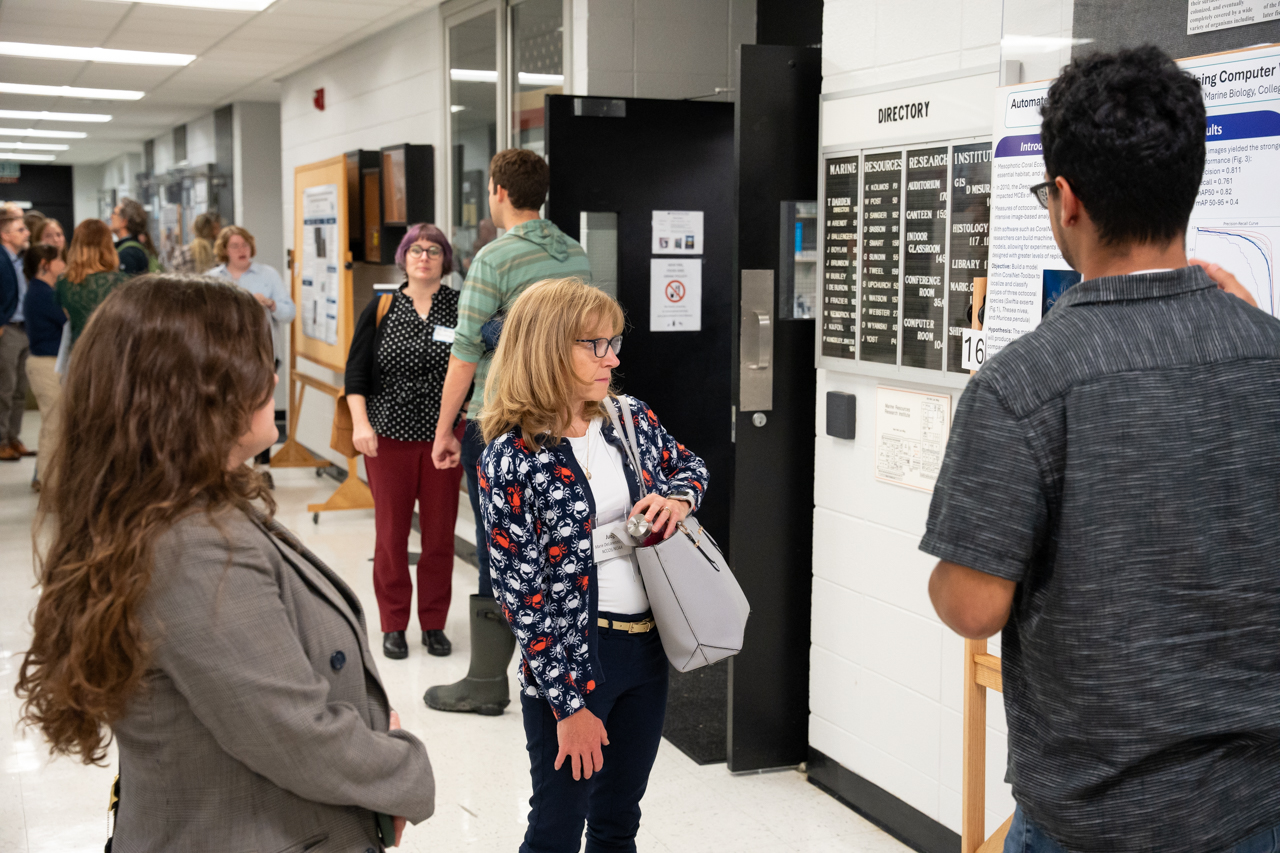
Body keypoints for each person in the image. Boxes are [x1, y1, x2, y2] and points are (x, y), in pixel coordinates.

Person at [922, 46, 1280, 853]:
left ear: (1068, 200)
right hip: (1257, 804)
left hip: (1094, 819)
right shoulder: (1267, 349)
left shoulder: (1025, 382)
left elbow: (973, 605)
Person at [16, 274, 435, 850]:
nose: (274, 378)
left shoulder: (187, 508)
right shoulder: (192, 546)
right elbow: (293, 736)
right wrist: (402, 771)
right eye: (257, 363)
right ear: (197, 391)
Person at [478, 277, 706, 852]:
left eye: (614, 342)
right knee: (556, 828)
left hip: (644, 650)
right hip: (573, 660)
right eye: (595, 345)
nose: (614, 357)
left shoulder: (629, 422)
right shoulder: (511, 458)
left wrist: (676, 499)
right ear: (548, 347)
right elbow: (520, 597)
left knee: (617, 822)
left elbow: (691, 466)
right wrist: (569, 704)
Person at [425, 148, 593, 715]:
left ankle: (486, 683)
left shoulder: (493, 260)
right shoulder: (577, 257)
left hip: (499, 420)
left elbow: (465, 354)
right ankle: (557, 674)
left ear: (498, 190)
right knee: (557, 544)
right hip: (564, 418)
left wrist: (444, 428)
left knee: (503, 545)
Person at [344, 224, 464, 661]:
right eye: (416, 249)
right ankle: (393, 623)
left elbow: (475, 369)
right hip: (387, 437)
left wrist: (458, 421)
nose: (424, 256)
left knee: (438, 536)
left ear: (444, 260)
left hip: (443, 439)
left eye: (433, 250)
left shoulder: (461, 307)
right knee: (390, 536)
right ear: (403, 257)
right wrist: (361, 424)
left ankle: (433, 623)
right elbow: (355, 372)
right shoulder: (382, 308)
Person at [21, 244, 66, 491]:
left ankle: (45, 478)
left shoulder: (43, 290)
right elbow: (65, 317)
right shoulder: (42, 294)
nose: (64, 266)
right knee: (54, 424)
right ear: (44, 265)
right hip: (45, 366)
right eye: (59, 260)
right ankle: (50, 484)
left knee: (54, 422)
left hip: (48, 364)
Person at [55, 219, 129, 345]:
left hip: (78, 354)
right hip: (111, 354)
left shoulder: (63, 282)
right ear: (108, 246)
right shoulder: (122, 282)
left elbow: (63, 318)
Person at [0, 204, 33, 462]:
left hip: (25, 329)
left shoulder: (22, 259)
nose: (27, 233)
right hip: (7, 329)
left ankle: (14, 436)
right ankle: (1, 440)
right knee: (5, 388)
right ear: (5, 235)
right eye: (20, 229)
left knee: (21, 389)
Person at [110, 197, 159, 275]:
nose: (111, 216)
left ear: (124, 221)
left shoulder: (127, 253)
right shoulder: (136, 247)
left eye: (114, 213)